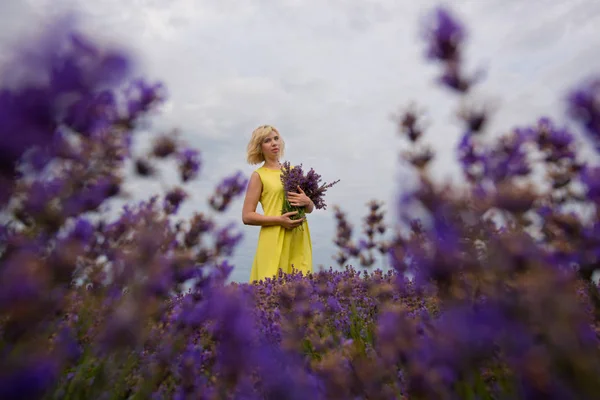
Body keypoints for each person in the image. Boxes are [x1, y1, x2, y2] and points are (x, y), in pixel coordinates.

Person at [242, 125, 313, 282]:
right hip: (273, 237)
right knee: (271, 291)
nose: (274, 143)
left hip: (298, 237)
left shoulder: (294, 171)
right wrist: (280, 220)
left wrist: (308, 202)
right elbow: (247, 216)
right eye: (267, 140)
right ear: (260, 147)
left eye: (276, 138)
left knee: (301, 293)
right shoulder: (258, 176)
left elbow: (308, 208)